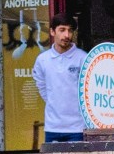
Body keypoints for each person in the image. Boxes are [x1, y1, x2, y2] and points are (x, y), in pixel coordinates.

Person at [31, 13, 89, 145]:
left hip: (78, 128)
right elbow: (42, 87)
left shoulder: (83, 58)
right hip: (53, 127)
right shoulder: (42, 60)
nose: (67, 35)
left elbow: (89, 91)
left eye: (70, 30)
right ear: (52, 31)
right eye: (62, 30)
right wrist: (55, 102)